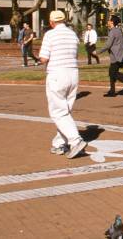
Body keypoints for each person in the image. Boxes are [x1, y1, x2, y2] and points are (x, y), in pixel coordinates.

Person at [39, 10, 87, 159]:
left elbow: (43, 58)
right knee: (66, 109)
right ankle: (60, 142)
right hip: (72, 73)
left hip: (57, 73)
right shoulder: (72, 34)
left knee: (58, 112)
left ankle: (75, 140)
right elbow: (76, 54)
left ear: (52, 22)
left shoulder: (50, 35)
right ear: (64, 20)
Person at [101, 15, 123, 97]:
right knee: (111, 73)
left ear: (112, 22)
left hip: (116, 57)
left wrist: (98, 52)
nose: (108, 21)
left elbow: (107, 45)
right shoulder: (119, 30)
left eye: (109, 20)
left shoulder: (112, 32)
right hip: (119, 56)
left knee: (114, 74)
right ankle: (112, 91)